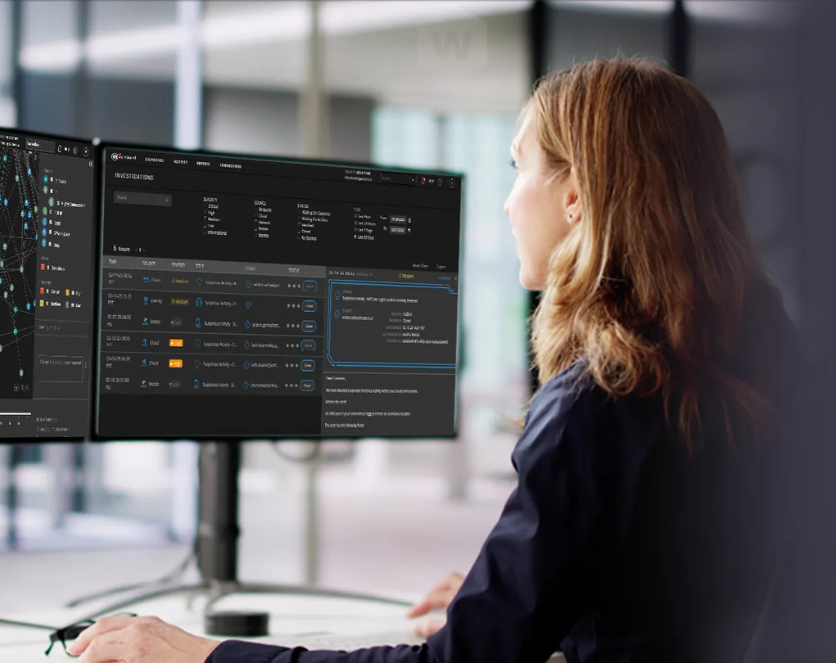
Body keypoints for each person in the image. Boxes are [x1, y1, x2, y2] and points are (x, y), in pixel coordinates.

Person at [67, 57, 798, 663]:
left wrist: (200, 655)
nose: (508, 205)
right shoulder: (764, 363)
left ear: (574, 195)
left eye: (519, 170)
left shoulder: (596, 399)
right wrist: (518, 600)